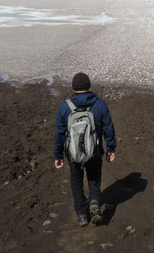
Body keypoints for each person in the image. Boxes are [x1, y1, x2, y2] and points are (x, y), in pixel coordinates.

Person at [54, 72, 117, 227]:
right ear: (88, 86)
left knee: (76, 179)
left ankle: (82, 214)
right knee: (94, 177)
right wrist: (111, 148)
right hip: (94, 150)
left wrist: (58, 156)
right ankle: (94, 201)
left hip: (73, 153)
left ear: (74, 87)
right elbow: (109, 128)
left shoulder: (64, 107)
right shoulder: (100, 104)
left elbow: (60, 134)